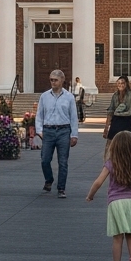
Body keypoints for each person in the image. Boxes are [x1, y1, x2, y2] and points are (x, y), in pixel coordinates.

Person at [85, 130, 131, 261]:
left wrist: (90, 196)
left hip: (115, 203)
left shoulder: (111, 163)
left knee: (117, 237)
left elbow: (98, 182)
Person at [36, 69, 79, 198]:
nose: (53, 82)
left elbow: (73, 117)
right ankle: (49, 180)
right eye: (51, 80)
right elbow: (39, 115)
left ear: (62, 80)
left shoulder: (69, 97)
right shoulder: (44, 96)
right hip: (48, 130)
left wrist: (74, 135)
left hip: (63, 131)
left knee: (63, 161)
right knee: (45, 159)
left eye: (55, 80)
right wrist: (39, 131)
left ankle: (61, 188)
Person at [105, 75, 131, 139]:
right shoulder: (115, 95)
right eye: (119, 83)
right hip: (116, 121)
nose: (121, 85)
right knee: (111, 143)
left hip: (126, 121)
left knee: (127, 144)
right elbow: (110, 111)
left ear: (126, 84)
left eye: (123, 83)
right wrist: (106, 128)